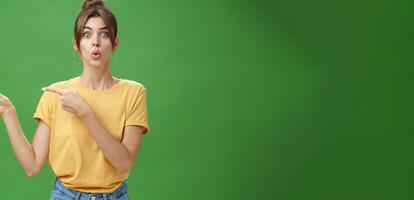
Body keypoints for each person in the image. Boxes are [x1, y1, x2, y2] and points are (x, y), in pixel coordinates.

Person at [0, 0, 149, 199]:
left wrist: (85, 112)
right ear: (76, 44)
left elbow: (124, 163)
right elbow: (32, 165)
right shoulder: (56, 94)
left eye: (104, 34)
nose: (95, 41)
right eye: (87, 35)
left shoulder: (133, 93)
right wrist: (8, 112)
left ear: (115, 43)